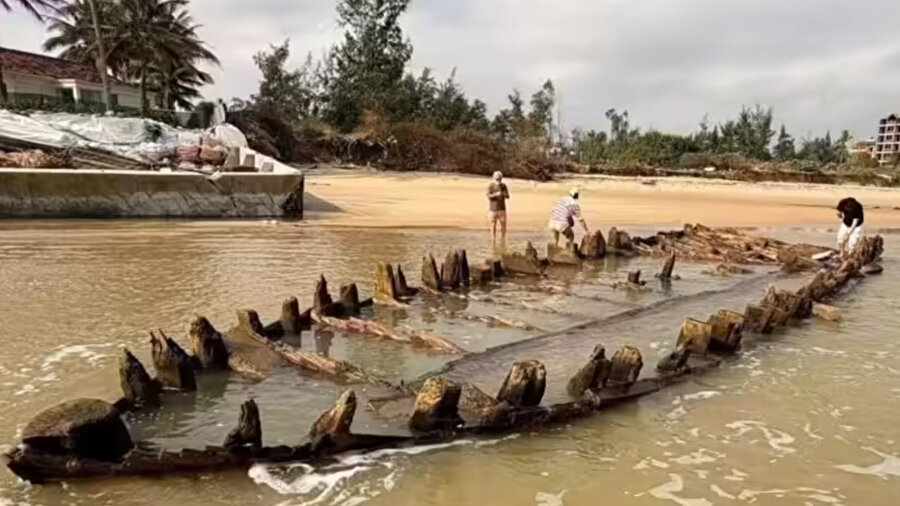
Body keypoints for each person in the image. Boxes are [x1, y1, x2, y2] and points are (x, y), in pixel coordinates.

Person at [487, 171, 510, 248]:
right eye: (497, 178)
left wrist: (502, 194)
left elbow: (508, 196)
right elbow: (488, 196)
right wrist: (495, 194)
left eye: (499, 178)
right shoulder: (490, 186)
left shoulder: (504, 186)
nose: (498, 180)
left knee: (503, 224)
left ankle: (502, 239)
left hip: (502, 209)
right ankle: (493, 239)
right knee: (493, 224)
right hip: (492, 209)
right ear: (494, 178)